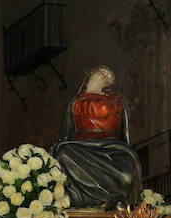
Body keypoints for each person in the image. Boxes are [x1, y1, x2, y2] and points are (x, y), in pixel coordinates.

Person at [51, 66, 143, 209]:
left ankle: (115, 198)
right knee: (63, 153)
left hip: (111, 145)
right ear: (90, 74)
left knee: (126, 159)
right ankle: (77, 199)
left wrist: (128, 148)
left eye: (108, 76)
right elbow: (66, 132)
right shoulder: (75, 102)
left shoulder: (117, 100)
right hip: (80, 145)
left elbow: (124, 129)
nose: (104, 75)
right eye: (102, 72)